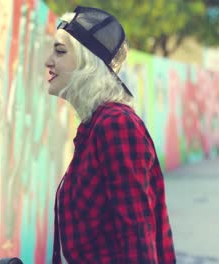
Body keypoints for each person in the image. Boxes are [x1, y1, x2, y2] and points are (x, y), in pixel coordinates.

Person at [44, 6, 176, 263]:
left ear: (88, 62)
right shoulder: (94, 125)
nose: (49, 61)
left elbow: (136, 233)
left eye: (60, 51)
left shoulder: (116, 125)